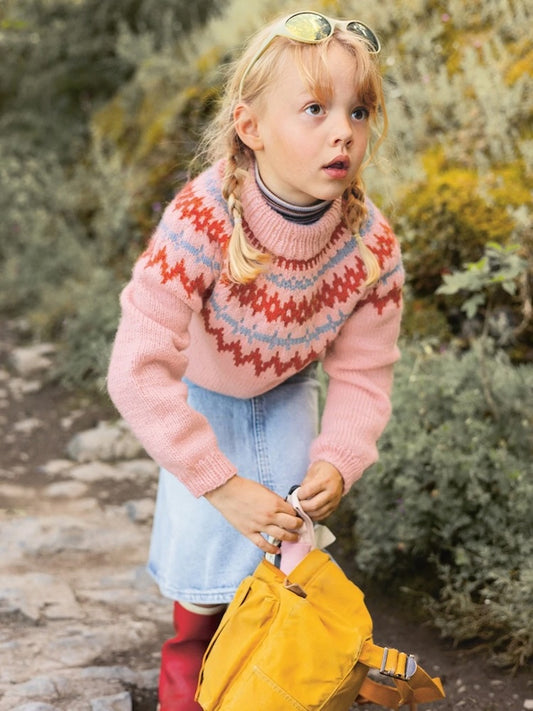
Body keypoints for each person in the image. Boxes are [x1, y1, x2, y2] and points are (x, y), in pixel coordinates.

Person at [107, 10, 404, 711]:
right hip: (202, 407)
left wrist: (339, 458)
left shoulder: (369, 245)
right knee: (204, 589)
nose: (343, 131)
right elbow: (136, 368)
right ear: (251, 127)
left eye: (359, 111)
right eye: (315, 109)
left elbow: (364, 374)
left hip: (290, 393)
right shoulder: (203, 218)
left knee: (287, 573)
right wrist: (217, 483)